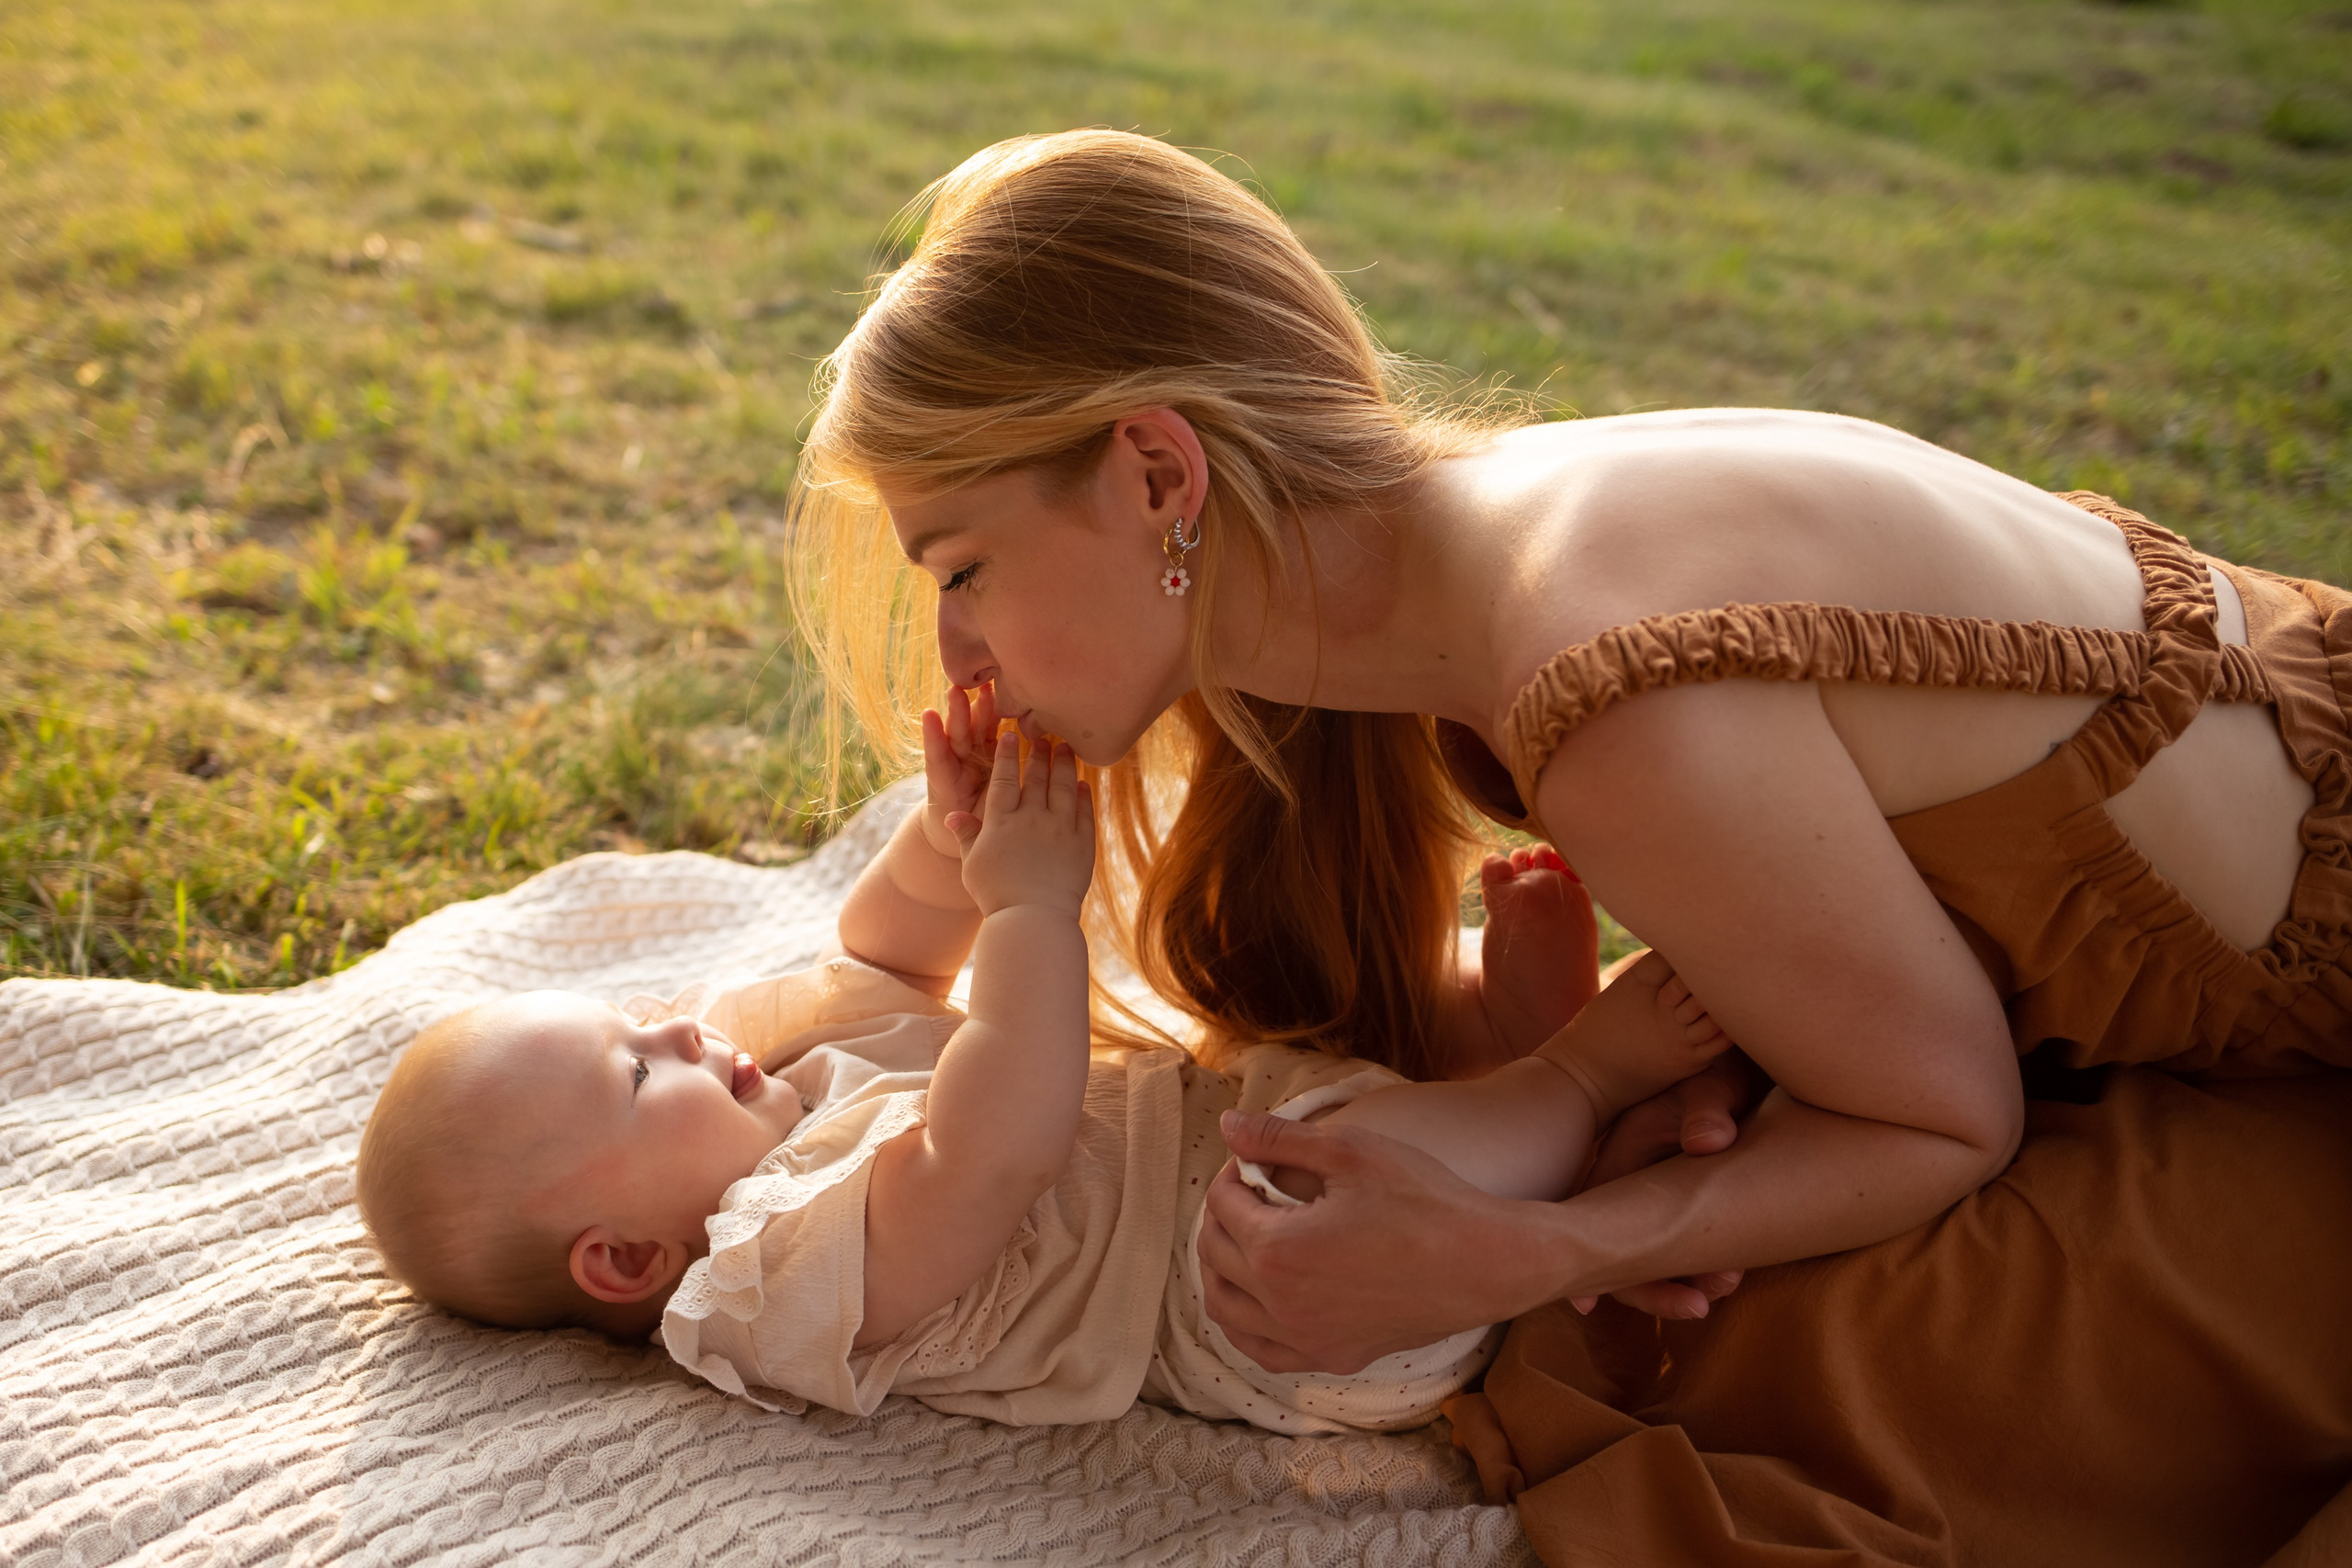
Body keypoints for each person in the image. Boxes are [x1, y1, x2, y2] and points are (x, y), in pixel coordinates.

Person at [786, 127, 2352, 1562]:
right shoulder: (1462, 544)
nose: (957, 649)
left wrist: (1524, 1255)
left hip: (2297, 1039)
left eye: (963, 569)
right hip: (2148, 1027)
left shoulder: (1595, 682)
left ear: (1156, 475)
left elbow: (1944, 1119)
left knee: (1778, 1400)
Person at [356, 704, 1724, 1434]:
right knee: (1351, 1165)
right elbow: (989, 1152)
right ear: (621, 1261)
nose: (671, 1032)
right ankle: (1578, 1077)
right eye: (635, 1075)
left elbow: (884, 957)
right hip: (1274, 1303)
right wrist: (1026, 907)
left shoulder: (766, 1069)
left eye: (634, 1018)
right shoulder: (768, 1281)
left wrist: (949, 842)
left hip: (1237, 1124)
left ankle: (1514, 1055)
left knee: (1343, 1084)